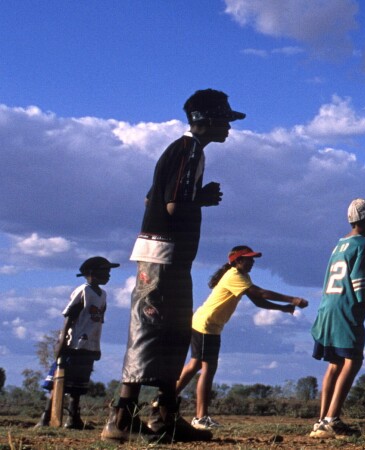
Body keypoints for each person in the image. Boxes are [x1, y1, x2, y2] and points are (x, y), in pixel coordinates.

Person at [104, 89, 243, 443]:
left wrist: (196, 198)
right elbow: (171, 205)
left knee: (169, 330)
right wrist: (200, 199)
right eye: (224, 119)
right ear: (206, 120)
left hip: (164, 256)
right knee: (153, 328)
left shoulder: (184, 151)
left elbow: (154, 197)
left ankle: (162, 416)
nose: (228, 127)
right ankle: (125, 418)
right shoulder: (189, 149)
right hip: (165, 257)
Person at [175, 245, 309, 431]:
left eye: (253, 258)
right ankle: (200, 418)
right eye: (249, 258)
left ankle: (164, 400)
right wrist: (292, 299)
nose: (253, 261)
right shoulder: (233, 276)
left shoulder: (242, 277)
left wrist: (283, 309)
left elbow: (258, 301)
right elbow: (260, 293)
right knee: (208, 368)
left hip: (206, 323)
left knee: (195, 364)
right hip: (207, 325)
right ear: (238, 261)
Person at [308, 198, 365, 439]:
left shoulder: (339, 245)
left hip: (327, 308)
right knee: (352, 361)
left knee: (335, 363)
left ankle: (322, 421)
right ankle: (332, 420)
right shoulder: (363, 245)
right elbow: (361, 285)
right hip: (346, 309)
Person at [35, 256, 119, 429]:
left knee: (79, 385)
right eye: (105, 272)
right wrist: (61, 343)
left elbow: (98, 321)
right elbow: (69, 317)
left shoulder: (102, 295)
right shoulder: (83, 291)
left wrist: (97, 346)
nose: (109, 275)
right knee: (60, 382)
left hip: (89, 345)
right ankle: (46, 417)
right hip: (74, 344)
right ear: (92, 274)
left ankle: (73, 418)